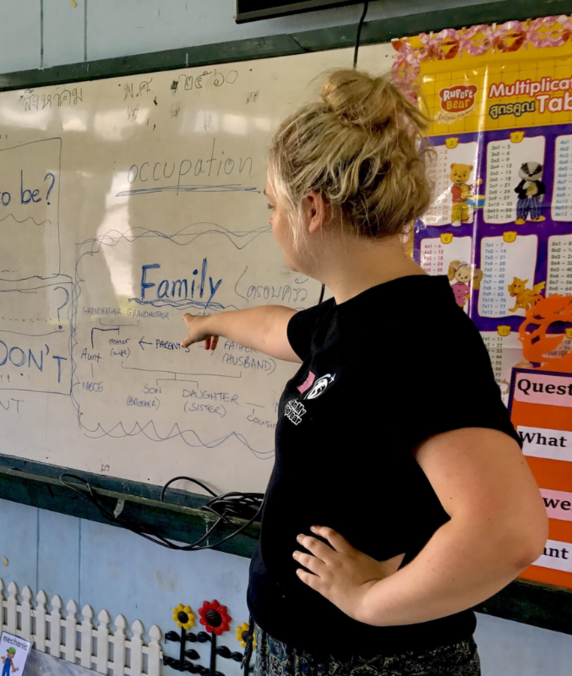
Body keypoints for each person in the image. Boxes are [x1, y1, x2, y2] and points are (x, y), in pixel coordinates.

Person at [179, 70, 547, 675]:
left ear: (312, 209)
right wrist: (210, 321)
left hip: (368, 662)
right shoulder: (349, 317)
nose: (271, 221)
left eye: (273, 206)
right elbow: (277, 328)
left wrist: (368, 601)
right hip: (295, 645)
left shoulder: (418, 337)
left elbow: (510, 531)